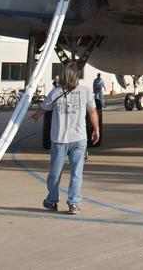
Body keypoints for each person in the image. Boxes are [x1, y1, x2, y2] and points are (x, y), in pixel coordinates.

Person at [37, 63, 99, 214]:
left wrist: (31, 115)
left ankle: (52, 200)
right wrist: (96, 129)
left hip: (60, 140)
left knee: (54, 173)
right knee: (76, 173)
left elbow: (43, 109)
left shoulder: (55, 92)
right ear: (77, 76)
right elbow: (92, 111)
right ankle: (73, 203)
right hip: (79, 139)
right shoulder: (85, 91)